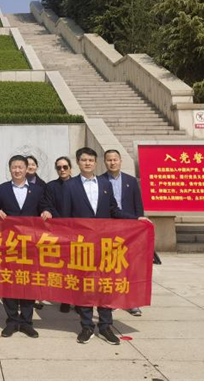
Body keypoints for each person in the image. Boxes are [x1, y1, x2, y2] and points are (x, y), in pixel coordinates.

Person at [42, 147, 149, 345]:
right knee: (84, 286)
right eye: (84, 160)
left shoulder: (105, 183)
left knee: (105, 286)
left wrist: (136, 219)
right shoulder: (70, 186)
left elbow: (113, 210)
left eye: (91, 160)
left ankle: (106, 326)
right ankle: (86, 326)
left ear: (95, 162)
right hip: (81, 246)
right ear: (78, 162)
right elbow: (65, 217)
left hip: (103, 245)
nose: (88, 163)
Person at [0, 155, 49, 338]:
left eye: (20, 167)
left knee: (28, 283)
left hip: (30, 245)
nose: (17, 170)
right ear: (10, 169)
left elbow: (45, 207)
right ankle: (12, 321)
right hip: (9, 244)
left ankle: (26, 322)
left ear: (26, 169)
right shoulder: (1, 189)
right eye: (14, 167)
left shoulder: (37, 190)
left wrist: (46, 211)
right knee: (9, 282)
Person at [99, 149, 145, 317]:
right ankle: (112, 299)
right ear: (104, 162)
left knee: (130, 266)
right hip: (108, 229)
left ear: (120, 161)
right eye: (109, 160)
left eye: (115, 159)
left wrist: (139, 224)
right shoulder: (100, 181)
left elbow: (138, 205)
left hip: (129, 229)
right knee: (110, 266)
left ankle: (132, 302)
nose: (112, 162)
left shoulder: (131, 181)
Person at [46, 156, 73, 314]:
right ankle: (65, 299)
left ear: (70, 168)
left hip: (78, 232)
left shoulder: (78, 184)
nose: (62, 170)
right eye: (59, 167)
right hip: (59, 231)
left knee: (78, 268)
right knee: (63, 268)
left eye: (65, 167)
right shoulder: (51, 186)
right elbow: (48, 205)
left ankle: (79, 300)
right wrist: (61, 222)